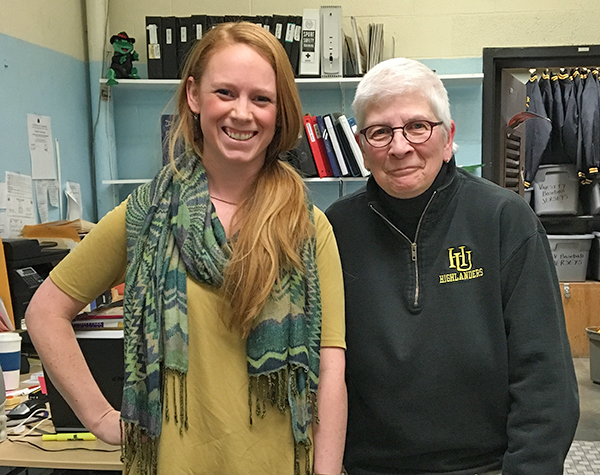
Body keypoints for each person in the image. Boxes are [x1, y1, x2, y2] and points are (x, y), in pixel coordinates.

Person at [25, 22, 347, 475]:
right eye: (225, 93)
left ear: (280, 111)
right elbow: (44, 313)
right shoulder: (147, 215)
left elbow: (331, 372)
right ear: (194, 96)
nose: (242, 113)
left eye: (261, 98)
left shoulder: (309, 229)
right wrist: (99, 417)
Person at [325, 57, 579, 475]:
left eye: (418, 127)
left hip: (486, 467)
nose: (400, 146)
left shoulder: (504, 220)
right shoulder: (333, 231)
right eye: (380, 132)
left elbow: (545, 379)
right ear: (362, 146)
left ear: (448, 137)